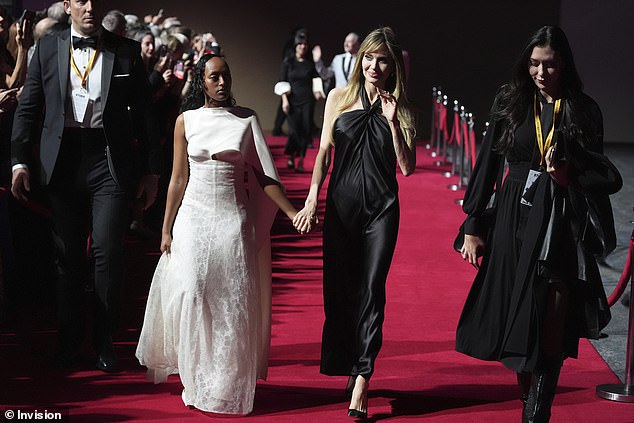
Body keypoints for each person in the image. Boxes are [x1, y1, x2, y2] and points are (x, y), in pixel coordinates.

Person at [455, 25, 621, 422]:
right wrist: (474, 224)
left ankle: (536, 416)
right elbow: (487, 165)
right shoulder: (510, 101)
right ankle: (529, 401)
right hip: (514, 218)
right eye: (534, 64)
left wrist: (569, 175)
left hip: (561, 221)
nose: (541, 73)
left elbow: (601, 174)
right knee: (522, 318)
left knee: (553, 321)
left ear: (563, 64)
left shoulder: (583, 108)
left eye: (549, 64)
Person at [135, 53, 298, 414]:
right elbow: (177, 179)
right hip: (192, 218)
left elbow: (265, 176)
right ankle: (195, 380)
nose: (222, 83)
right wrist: (164, 229)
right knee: (193, 291)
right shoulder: (185, 121)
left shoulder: (246, 121)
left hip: (231, 220)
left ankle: (223, 381)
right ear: (202, 81)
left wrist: (292, 211)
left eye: (226, 76)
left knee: (228, 301)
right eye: (214, 77)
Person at [10, 0, 159, 372]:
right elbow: (29, 105)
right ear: (67, 6)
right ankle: (69, 342)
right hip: (62, 161)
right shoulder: (47, 47)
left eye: (95, 0)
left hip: (108, 159)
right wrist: (18, 160)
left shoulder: (125, 50)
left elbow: (144, 113)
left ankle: (106, 344)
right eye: (81, 1)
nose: (90, 7)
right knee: (68, 260)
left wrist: (151, 171)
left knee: (108, 254)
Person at [293, 27, 416, 418]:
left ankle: (363, 377)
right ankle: (350, 362)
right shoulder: (337, 98)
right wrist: (312, 195)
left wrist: (394, 122)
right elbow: (324, 152)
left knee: (372, 289)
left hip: (382, 210)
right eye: (369, 57)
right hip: (341, 208)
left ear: (392, 64)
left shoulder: (401, 105)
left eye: (382, 60)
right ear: (359, 58)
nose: (374, 66)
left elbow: (408, 167)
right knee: (341, 292)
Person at [278, 30, 323, 172]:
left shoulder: (310, 64)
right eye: (300, 44)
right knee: (293, 131)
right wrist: (284, 100)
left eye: (305, 44)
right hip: (292, 101)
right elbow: (282, 82)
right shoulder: (288, 63)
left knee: (305, 130)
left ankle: (301, 160)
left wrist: (318, 91)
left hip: (307, 101)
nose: (303, 47)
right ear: (295, 45)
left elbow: (317, 78)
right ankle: (291, 157)